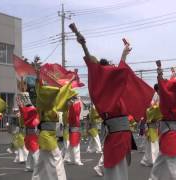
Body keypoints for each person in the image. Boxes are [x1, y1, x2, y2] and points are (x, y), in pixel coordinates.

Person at [71, 23, 154, 180]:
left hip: (120, 135)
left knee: (119, 170)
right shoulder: (102, 92)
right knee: (116, 171)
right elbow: (95, 66)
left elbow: (120, 73)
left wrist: (124, 55)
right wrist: (84, 46)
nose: (113, 69)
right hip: (116, 135)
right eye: (109, 67)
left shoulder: (113, 93)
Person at [32, 62, 77, 180]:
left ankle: (36, 178)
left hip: (48, 135)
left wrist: (71, 81)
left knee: (41, 162)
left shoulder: (52, 104)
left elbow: (61, 93)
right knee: (57, 159)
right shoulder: (43, 103)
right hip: (46, 136)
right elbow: (40, 89)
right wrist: (38, 75)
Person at [149, 62, 176, 180]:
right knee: (174, 159)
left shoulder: (172, 99)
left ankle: (153, 178)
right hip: (169, 132)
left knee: (163, 157)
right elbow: (163, 85)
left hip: (172, 131)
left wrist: (173, 73)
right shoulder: (165, 100)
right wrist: (159, 70)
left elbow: (171, 84)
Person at [16, 78, 40, 172]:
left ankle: (28, 166)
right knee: (35, 151)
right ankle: (37, 167)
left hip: (31, 134)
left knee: (31, 151)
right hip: (31, 134)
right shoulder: (29, 110)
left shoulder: (28, 110)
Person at [140, 85, 161, 167]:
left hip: (153, 121)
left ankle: (146, 160)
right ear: (157, 89)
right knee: (153, 142)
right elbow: (152, 107)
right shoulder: (155, 95)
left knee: (150, 142)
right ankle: (153, 160)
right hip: (151, 120)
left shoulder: (158, 95)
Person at [64, 95, 84, 165]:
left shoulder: (70, 106)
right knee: (75, 144)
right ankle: (76, 160)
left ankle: (69, 158)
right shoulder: (74, 106)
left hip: (72, 126)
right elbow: (77, 112)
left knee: (72, 144)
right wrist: (78, 102)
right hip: (75, 125)